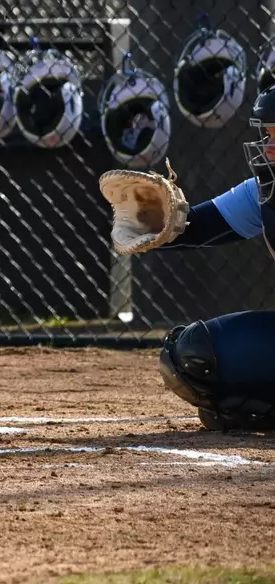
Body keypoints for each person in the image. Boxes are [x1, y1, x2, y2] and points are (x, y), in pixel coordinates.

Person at [108, 84, 275, 431]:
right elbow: (199, 226)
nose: (267, 148)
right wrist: (156, 224)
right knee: (194, 356)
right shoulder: (265, 190)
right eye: (267, 136)